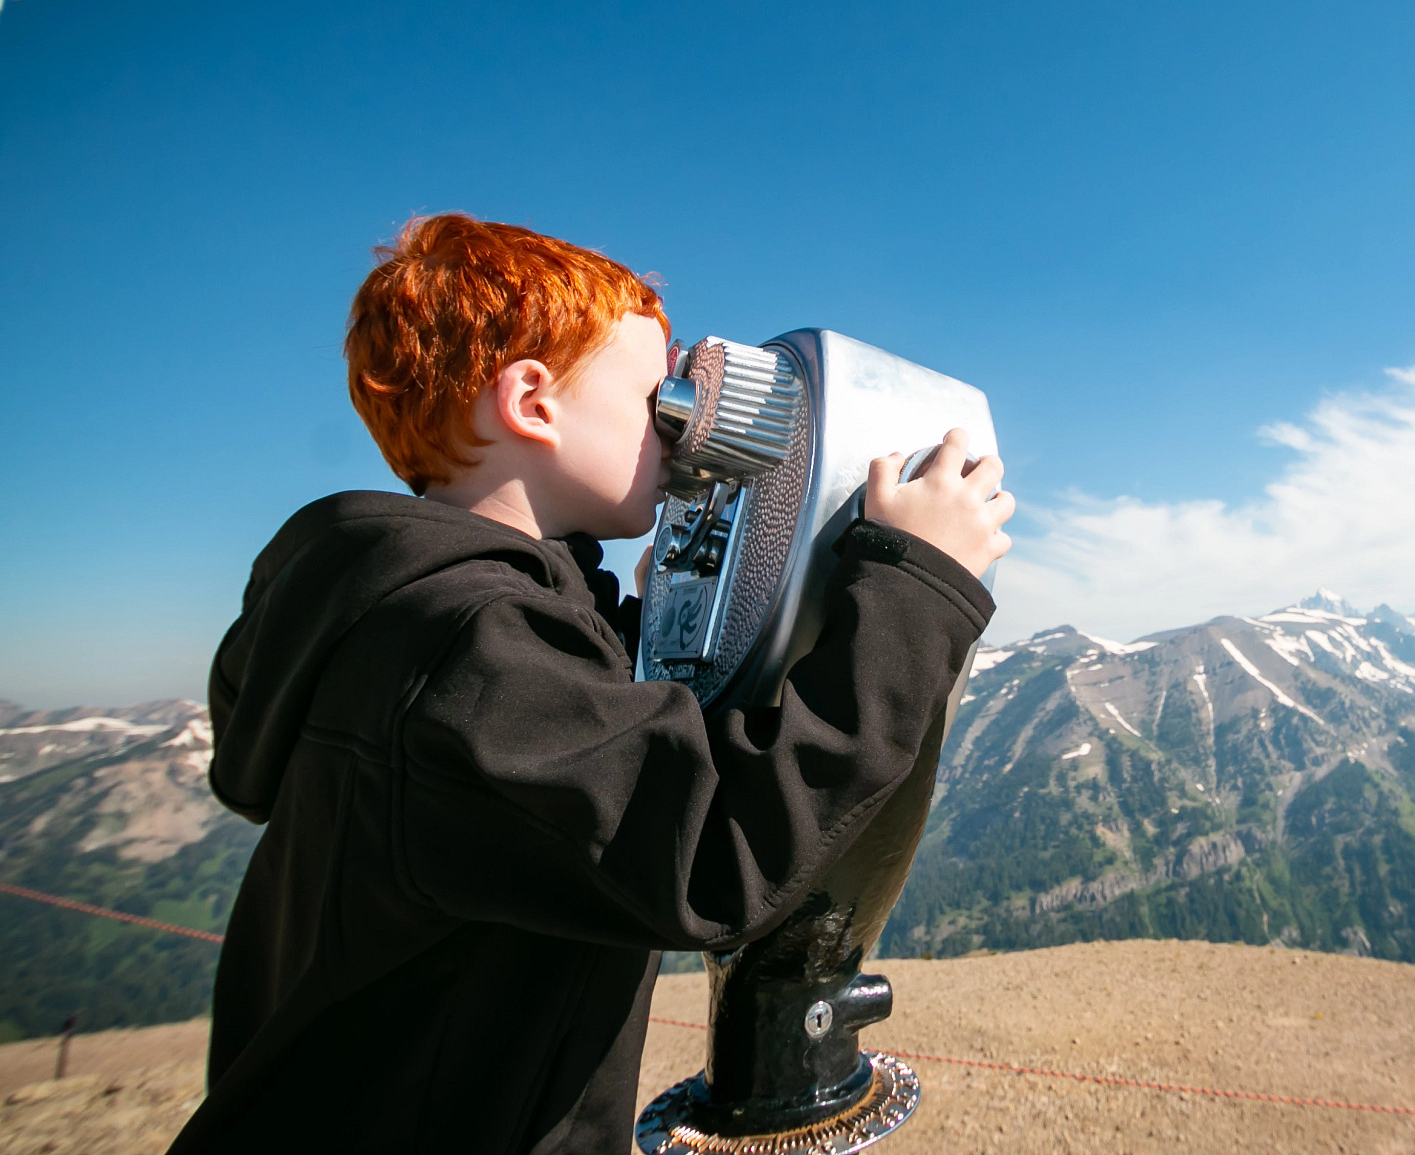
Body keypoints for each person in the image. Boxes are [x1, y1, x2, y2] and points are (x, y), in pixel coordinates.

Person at [170, 213, 1014, 1154]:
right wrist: (917, 585)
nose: (689, 433)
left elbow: (572, 779)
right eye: (662, 401)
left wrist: (653, 621)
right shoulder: (467, 645)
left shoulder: (392, 618)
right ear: (532, 401)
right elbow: (712, 860)